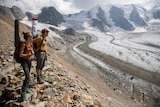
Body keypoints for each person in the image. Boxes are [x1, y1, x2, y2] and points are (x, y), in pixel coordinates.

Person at [19, 32, 34, 101]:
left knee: (28, 76)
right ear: (28, 38)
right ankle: (23, 93)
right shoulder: (23, 44)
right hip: (24, 61)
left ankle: (27, 87)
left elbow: (32, 51)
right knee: (27, 76)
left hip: (29, 61)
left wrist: (32, 52)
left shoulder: (30, 44)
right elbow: (20, 55)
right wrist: (28, 55)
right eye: (31, 37)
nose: (32, 38)